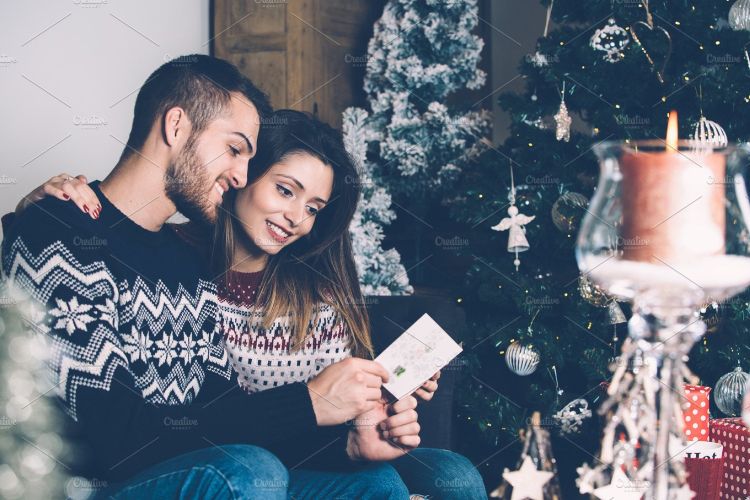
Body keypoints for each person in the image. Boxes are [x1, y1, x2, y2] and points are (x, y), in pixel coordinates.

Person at [3, 57, 487, 498]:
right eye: (235, 150)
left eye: (247, 159)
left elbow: (218, 418)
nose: (239, 174)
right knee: (250, 472)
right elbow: (116, 442)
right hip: (92, 485)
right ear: (176, 125)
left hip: (198, 468)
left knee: (374, 485)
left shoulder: (185, 263)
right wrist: (308, 402)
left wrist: (347, 445)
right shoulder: (60, 233)